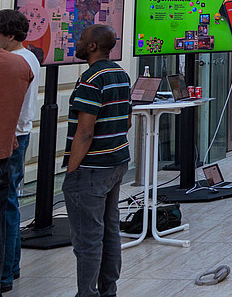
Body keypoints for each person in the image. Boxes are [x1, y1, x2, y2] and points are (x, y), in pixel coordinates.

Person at [62, 25, 131, 297]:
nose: (77, 43)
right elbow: (125, 120)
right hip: (116, 162)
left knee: (88, 239)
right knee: (110, 231)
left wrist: (71, 172)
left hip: (91, 168)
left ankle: (86, 293)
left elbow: (85, 131)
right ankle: (108, 291)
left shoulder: (91, 79)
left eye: (81, 39)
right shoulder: (121, 74)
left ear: (92, 47)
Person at [0, 10, 40, 292]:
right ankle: (12, 265)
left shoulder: (14, 61)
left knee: (7, 205)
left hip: (12, 137)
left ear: (9, 35)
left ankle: (5, 273)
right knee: (11, 201)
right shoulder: (30, 57)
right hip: (20, 134)